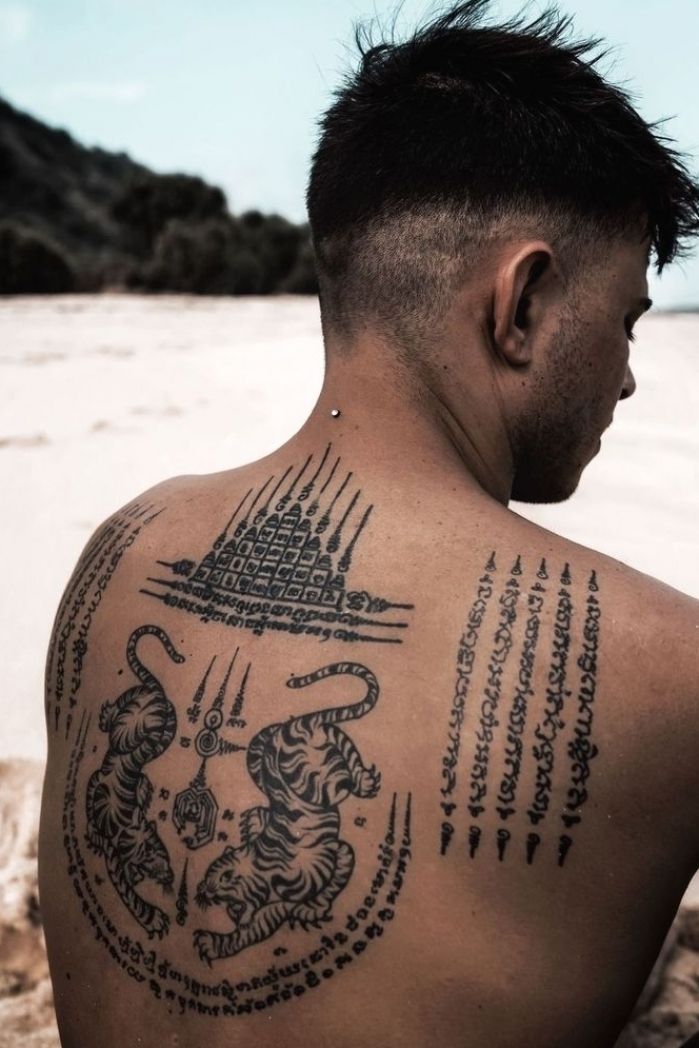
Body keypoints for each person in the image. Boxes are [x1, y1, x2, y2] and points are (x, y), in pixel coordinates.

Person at [39, 2, 699, 1046]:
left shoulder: (117, 557)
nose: (625, 378)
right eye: (624, 321)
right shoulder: (668, 666)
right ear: (523, 302)